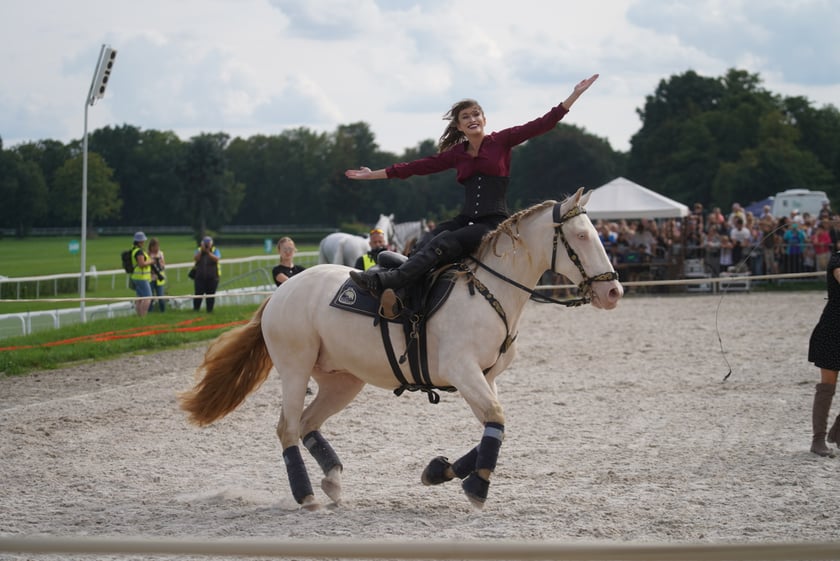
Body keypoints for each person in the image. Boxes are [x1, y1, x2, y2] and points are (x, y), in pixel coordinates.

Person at [345, 73, 600, 298]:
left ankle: (390, 281)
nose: (472, 119)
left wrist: (573, 96)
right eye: (465, 117)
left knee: (443, 243)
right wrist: (372, 175)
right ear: (459, 126)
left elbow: (542, 123)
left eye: (475, 114)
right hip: (465, 218)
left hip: (493, 223)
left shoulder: (502, 141)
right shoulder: (457, 153)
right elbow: (415, 167)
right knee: (427, 239)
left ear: (484, 119)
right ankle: (408, 290)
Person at [808, 248, 840, 456]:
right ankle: (818, 440)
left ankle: (838, 431)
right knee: (827, 385)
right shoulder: (837, 259)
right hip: (834, 329)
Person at [193, 236, 221, 312]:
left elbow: (217, 259)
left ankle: (209, 310)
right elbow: (196, 258)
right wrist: (202, 251)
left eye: (207, 243)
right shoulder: (198, 250)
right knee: (198, 294)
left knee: (211, 295)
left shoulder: (215, 250)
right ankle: (196, 309)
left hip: (213, 277)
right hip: (200, 277)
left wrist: (208, 252)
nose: (206, 245)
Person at [129, 231, 153, 317]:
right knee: (148, 297)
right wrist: (150, 262)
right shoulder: (139, 252)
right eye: (143, 240)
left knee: (139, 298)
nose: (144, 242)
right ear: (140, 241)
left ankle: (139, 316)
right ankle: (143, 315)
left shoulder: (134, 250)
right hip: (141, 277)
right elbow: (141, 264)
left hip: (137, 276)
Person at [147, 237, 167, 312]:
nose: (156, 248)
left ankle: (163, 312)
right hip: (150, 278)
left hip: (159, 278)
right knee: (150, 298)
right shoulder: (147, 254)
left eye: (157, 246)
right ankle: (150, 313)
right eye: (154, 246)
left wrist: (159, 262)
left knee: (161, 297)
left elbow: (163, 265)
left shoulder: (160, 254)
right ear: (151, 247)